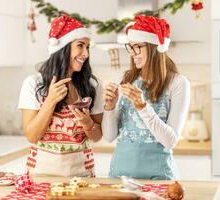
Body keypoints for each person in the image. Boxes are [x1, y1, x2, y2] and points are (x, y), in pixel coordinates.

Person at [102, 15, 190, 180]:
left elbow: (170, 141)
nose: (133, 53)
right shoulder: (123, 78)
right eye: (131, 47)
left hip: (159, 178)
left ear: (154, 47)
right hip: (120, 177)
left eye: (138, 47)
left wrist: (142, 107)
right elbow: (109, 136)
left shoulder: (177, 83)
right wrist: (109, 106)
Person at [18, 15, 103, 177]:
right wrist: (50, 101)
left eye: (88, 47)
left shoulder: (92, 85)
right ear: (62, 48)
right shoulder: (34, 84)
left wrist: (88, 123)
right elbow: (32, 136)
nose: (85, 53)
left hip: (82, 177)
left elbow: (97, 136)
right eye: (80, 46)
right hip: (40, 176)